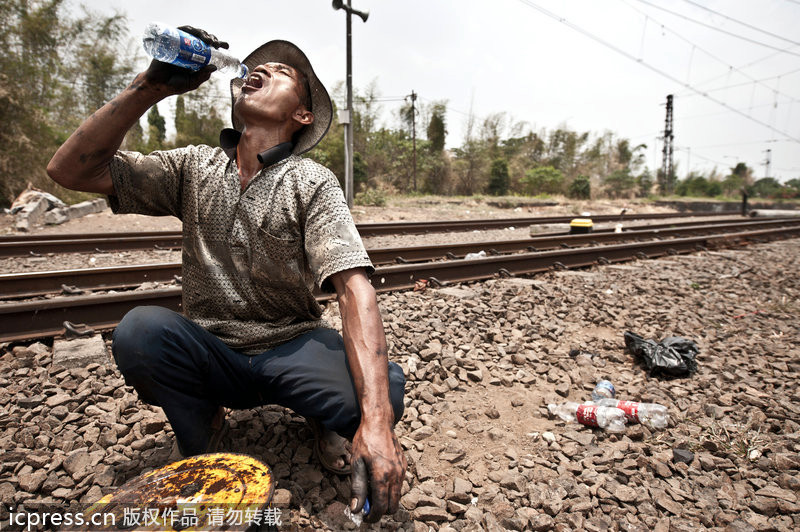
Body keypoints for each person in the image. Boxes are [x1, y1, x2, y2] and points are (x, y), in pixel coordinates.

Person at [46, 27, 405, 522]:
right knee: (140, 332)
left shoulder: (311, 181)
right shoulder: (193, 167)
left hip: (289, 345)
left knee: (382, 390)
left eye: (282, 72)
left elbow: (353, 287)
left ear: (301, 116)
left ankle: (322, 420)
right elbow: (71, 172)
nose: (261, 69)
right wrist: (149, 86)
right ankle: (203, 421)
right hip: (212, 349)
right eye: (257, 67)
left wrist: (378, 426)